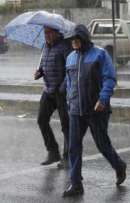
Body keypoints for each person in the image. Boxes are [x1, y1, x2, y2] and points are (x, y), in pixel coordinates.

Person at [62, 24, 127, 197]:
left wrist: (103, 99)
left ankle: (119, 166)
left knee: (102, 144)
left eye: (76, 39)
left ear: (83, 39)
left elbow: (110, 78)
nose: (74, 42)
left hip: (97, 109)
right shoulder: (70, 58)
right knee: (73, 147)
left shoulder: (100, 54)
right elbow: (69, 82)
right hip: (76, 110)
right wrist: (69, 100)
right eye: (72, 40)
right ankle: (76, 184)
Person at [34, 26, 71, 169]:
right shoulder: (45, 47)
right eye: (45, 33)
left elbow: (71, 69)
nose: (47, 36)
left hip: (62, 92)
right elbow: (45, 65)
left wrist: (63, 88)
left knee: (66, 126)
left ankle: (68, 157)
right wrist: (40, 72)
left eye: (50, 33)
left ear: (57, 33)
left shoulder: (64, 47)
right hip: (48, 90)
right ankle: (53, 152)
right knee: (41, 120)